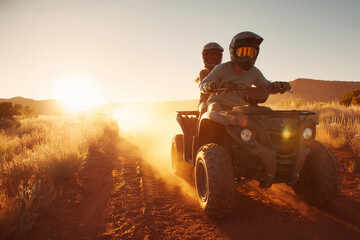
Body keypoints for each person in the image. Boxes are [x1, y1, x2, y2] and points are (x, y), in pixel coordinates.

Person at [199, 31, 291, 112]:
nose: (247, 57)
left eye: (251, 52)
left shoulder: (254, 72)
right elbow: (202, 86)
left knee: (264, 115)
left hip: (240, 109)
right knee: (214, 108)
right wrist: (213, 85)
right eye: (243, 52)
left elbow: (267, 86)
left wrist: (278, 86)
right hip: (218, 105)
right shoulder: (221, 68)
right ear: (233, 51)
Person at [195, 42, 224, 114]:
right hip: (205, 101)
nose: (213, 59)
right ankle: (200, 125)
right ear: (204, 57)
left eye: (215, 57)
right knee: (204, 109)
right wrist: (211, 86)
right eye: (210, 57)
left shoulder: (223, 71)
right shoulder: (203, 72)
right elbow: (204, 85)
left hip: (222, 100)